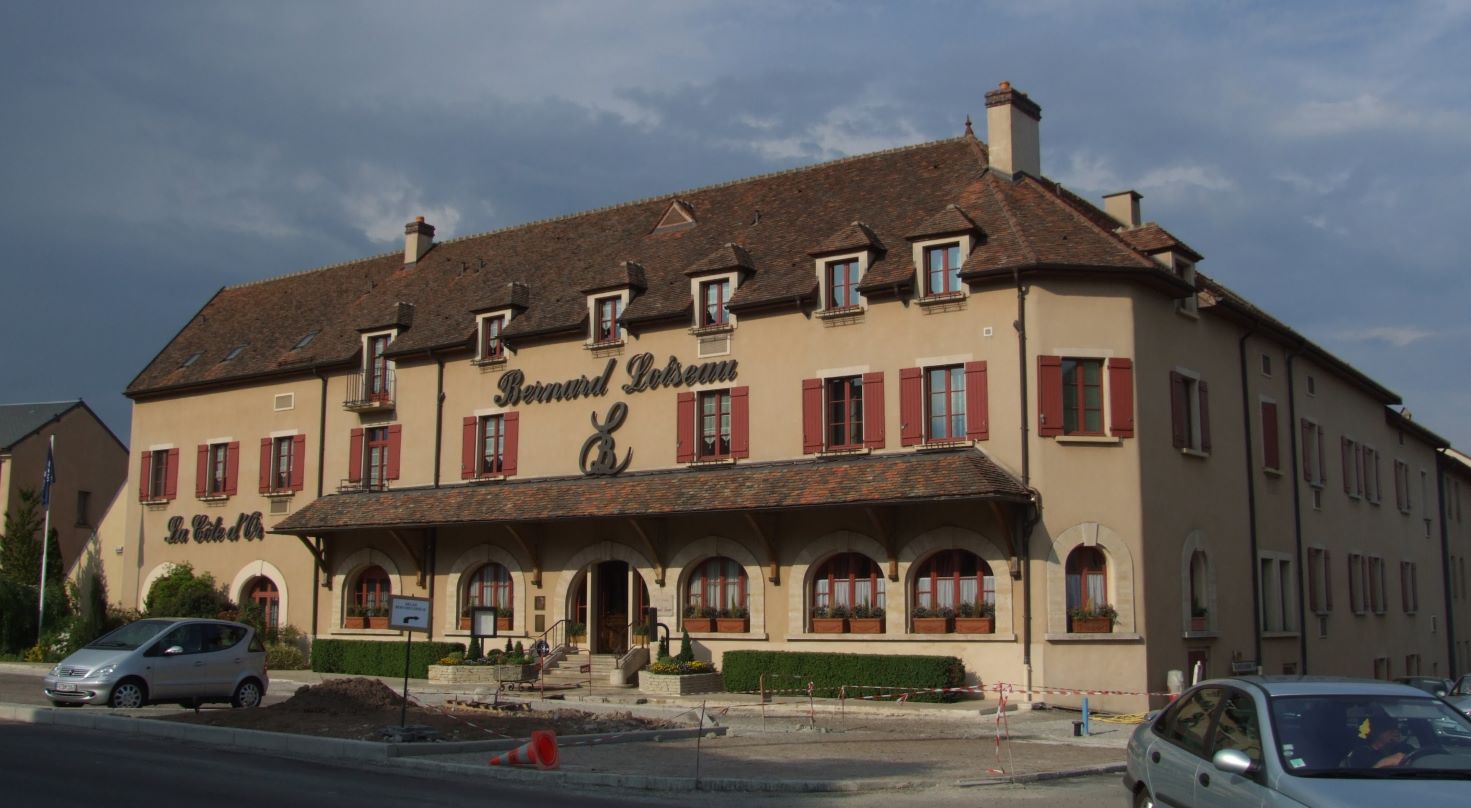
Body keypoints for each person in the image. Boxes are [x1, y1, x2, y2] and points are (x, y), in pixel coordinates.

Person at [1342, 714, 1413, 768]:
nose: (1395, 731)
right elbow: (1356, 781)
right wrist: (1382, 763)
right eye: (1389, 728)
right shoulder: (1361, 755)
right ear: (1375, 731)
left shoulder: (1407, 749)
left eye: (1397, 727)